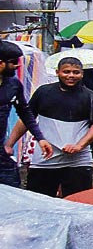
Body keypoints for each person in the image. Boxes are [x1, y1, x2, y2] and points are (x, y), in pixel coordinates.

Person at [6, 57, 93, 197]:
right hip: (45, 158)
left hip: (78, 160)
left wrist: (79, 146)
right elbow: (26, 120)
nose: (71, 75)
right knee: (38, 202)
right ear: (57, 72)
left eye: (76, 72)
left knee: (78, 203)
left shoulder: (91, 97)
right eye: (66, 72)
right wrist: (9, 144)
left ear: (82, 74)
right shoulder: (43, 92)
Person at [0, 41, 52, 187]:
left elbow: (25, 111)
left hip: (1, 153)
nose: (18, 65)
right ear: (1, 63)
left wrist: (40, 138)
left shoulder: (13, 84)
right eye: (14, 62)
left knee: (13, 189)